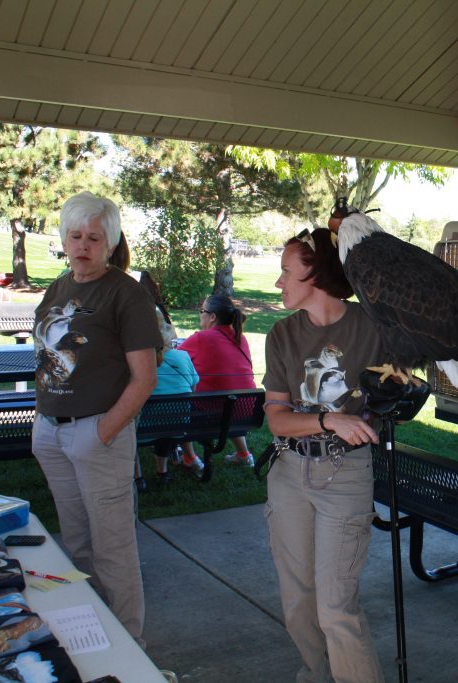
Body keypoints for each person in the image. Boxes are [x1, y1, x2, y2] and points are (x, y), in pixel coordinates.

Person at [31, 190, 161, 646]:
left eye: (94, 237)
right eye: (75, 235)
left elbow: (144, 377)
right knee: (77, 543)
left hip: (97, 433)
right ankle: (93, 636)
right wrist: (42, 418)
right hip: (51, 432)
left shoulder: (125, 293)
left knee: (113, 550)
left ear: (110, 243)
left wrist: (104, 431)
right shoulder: (59, 287)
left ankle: (130, 646)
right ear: (64, 239)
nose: (83, 245)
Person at [263, 227, 386, 683]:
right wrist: (327, 420)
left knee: (335, 607)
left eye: (285, 273)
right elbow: (276, 418)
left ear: (316, 276)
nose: (279, 283)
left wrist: (398, 396)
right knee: (298, 601)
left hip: (345, 475)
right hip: (291, 471)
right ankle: (318, 675)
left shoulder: (372, 327)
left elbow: (400, 384)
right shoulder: (282, 334)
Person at [178, 293, 257, 466]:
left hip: (212, 414)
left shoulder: (201, 338)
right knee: (229, 399)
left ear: (212, 317)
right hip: (246, 412)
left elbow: (173, 358)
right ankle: (244, 454)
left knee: (177, 398)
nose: (200, 314)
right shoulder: (240, 337)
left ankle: (190, 458)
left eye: (202, 311)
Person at [149, 307, 205, 483]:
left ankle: (142, 476)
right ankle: (171, 466)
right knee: (168, 420)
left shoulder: (139, 360)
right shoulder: (182, 356)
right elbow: (194, 387)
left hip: (147, 426)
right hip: (180, 423)